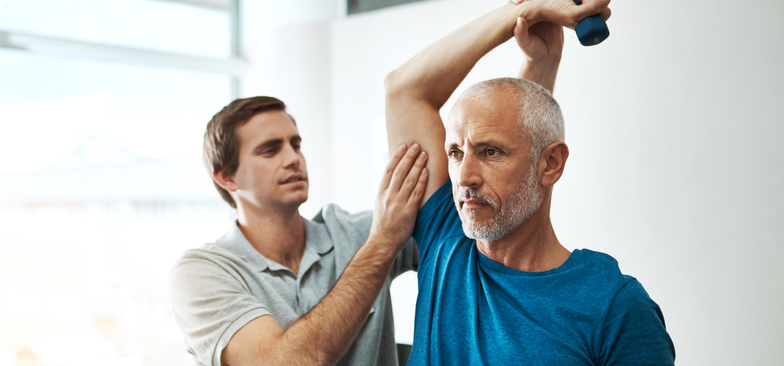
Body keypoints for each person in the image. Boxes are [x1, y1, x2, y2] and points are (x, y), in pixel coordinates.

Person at [383, 0, 676, 364]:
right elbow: (403, 90)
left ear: (551, 164)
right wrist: (521, 13)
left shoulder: (613, 306)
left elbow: (520, 129)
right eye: (456, 153)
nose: (465, 178)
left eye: (490, 153)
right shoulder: (446, 240)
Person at [169, 96, 429, 366]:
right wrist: (381, 246)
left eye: (296, 145)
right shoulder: (201, 272)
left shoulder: (362, 232)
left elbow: (456, 243)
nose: (294, 158)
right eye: (270, 150)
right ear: (226, 177)